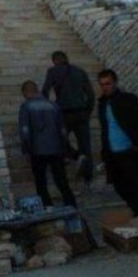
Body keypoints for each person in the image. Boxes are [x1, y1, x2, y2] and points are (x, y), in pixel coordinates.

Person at [97, 69, 138, 218]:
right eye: (102, 84)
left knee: (136, 186)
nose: (105, 87)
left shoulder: (128, 99)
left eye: (108, 83)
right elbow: (105, 129)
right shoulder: (102, 104)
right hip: (113, 153)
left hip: (130, 151)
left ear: (115, 83)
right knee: (120, 187)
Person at [18, 80, 77, 207]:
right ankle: (71, 205)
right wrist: (65, 149)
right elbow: (62, 130)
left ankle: (47, 207)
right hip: (56, 149)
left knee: (41, 182)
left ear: (25, 92)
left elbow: (25, 130)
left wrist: (26, 149)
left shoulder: (26, 107)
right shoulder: (53, 106)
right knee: (62, 180)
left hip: (37, 150)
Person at [42, 51, 96, 185]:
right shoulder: (80, 71)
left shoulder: (53, 71)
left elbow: (45, 91)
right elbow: (90, 94)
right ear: (66, 58)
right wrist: (87, 111)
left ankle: (75, 156)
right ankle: (88, 176)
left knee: (57, 139)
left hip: (64, 113)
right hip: (82, 112)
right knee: (85, 145)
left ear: (55, 60)